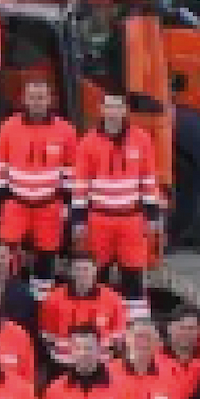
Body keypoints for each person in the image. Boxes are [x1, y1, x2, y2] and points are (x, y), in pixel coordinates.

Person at [69, 94, 164, 305]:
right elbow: (80, 185)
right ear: (101, 109)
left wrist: (152, 216)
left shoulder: (142, 139)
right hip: (98, 220)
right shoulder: (88, 142)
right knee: (97, 274)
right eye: (109, 106)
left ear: (125, 110)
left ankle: (135, 324)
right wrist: (78, 220)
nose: (113, 112)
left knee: (134, 275)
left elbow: (149, 180)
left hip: (132, 220)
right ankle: (96, 319)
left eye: (118, 106)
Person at [0, 78, 77, 300]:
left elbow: (71, 170)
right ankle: (6, 300)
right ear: (24, 100)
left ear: (49, 100)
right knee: (4, 257)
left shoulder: (66, 131)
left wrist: (67, 205)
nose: (36, 102)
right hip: (15, 204)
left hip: (49, 206)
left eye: (41, 97)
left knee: (46, 258)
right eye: (32, 97)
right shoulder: (9, 127)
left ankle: (40, 304)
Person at [39, 251, 129, 375]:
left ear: (95, 271)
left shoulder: (113, 299)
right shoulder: (53, 299)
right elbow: (46, 335)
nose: (82, 274)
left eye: (86, 269)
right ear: (70, 272)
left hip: (101, 364)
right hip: (63, 364)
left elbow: (119, 335)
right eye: (78, 270)